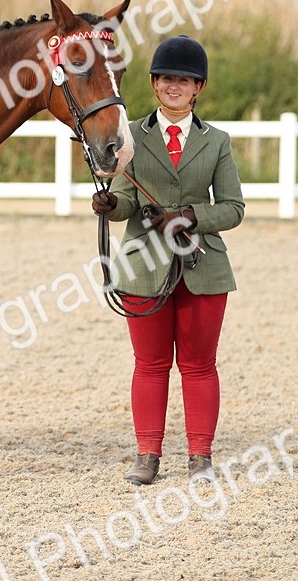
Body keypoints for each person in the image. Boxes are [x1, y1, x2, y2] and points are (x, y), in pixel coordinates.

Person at [90, 35, 245, 485]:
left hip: (203, 265)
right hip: (143, 266)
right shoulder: (130, 135)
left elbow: (234, 207)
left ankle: (200, 455)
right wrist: (109, 206)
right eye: (166, 78)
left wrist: (190, 216)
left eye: (185, 79)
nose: (175, 85)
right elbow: (123, 201)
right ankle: (147, 455)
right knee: (150, 364)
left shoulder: (217, 142)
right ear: (155, 84)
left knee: (199, 365)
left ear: (198, 88)